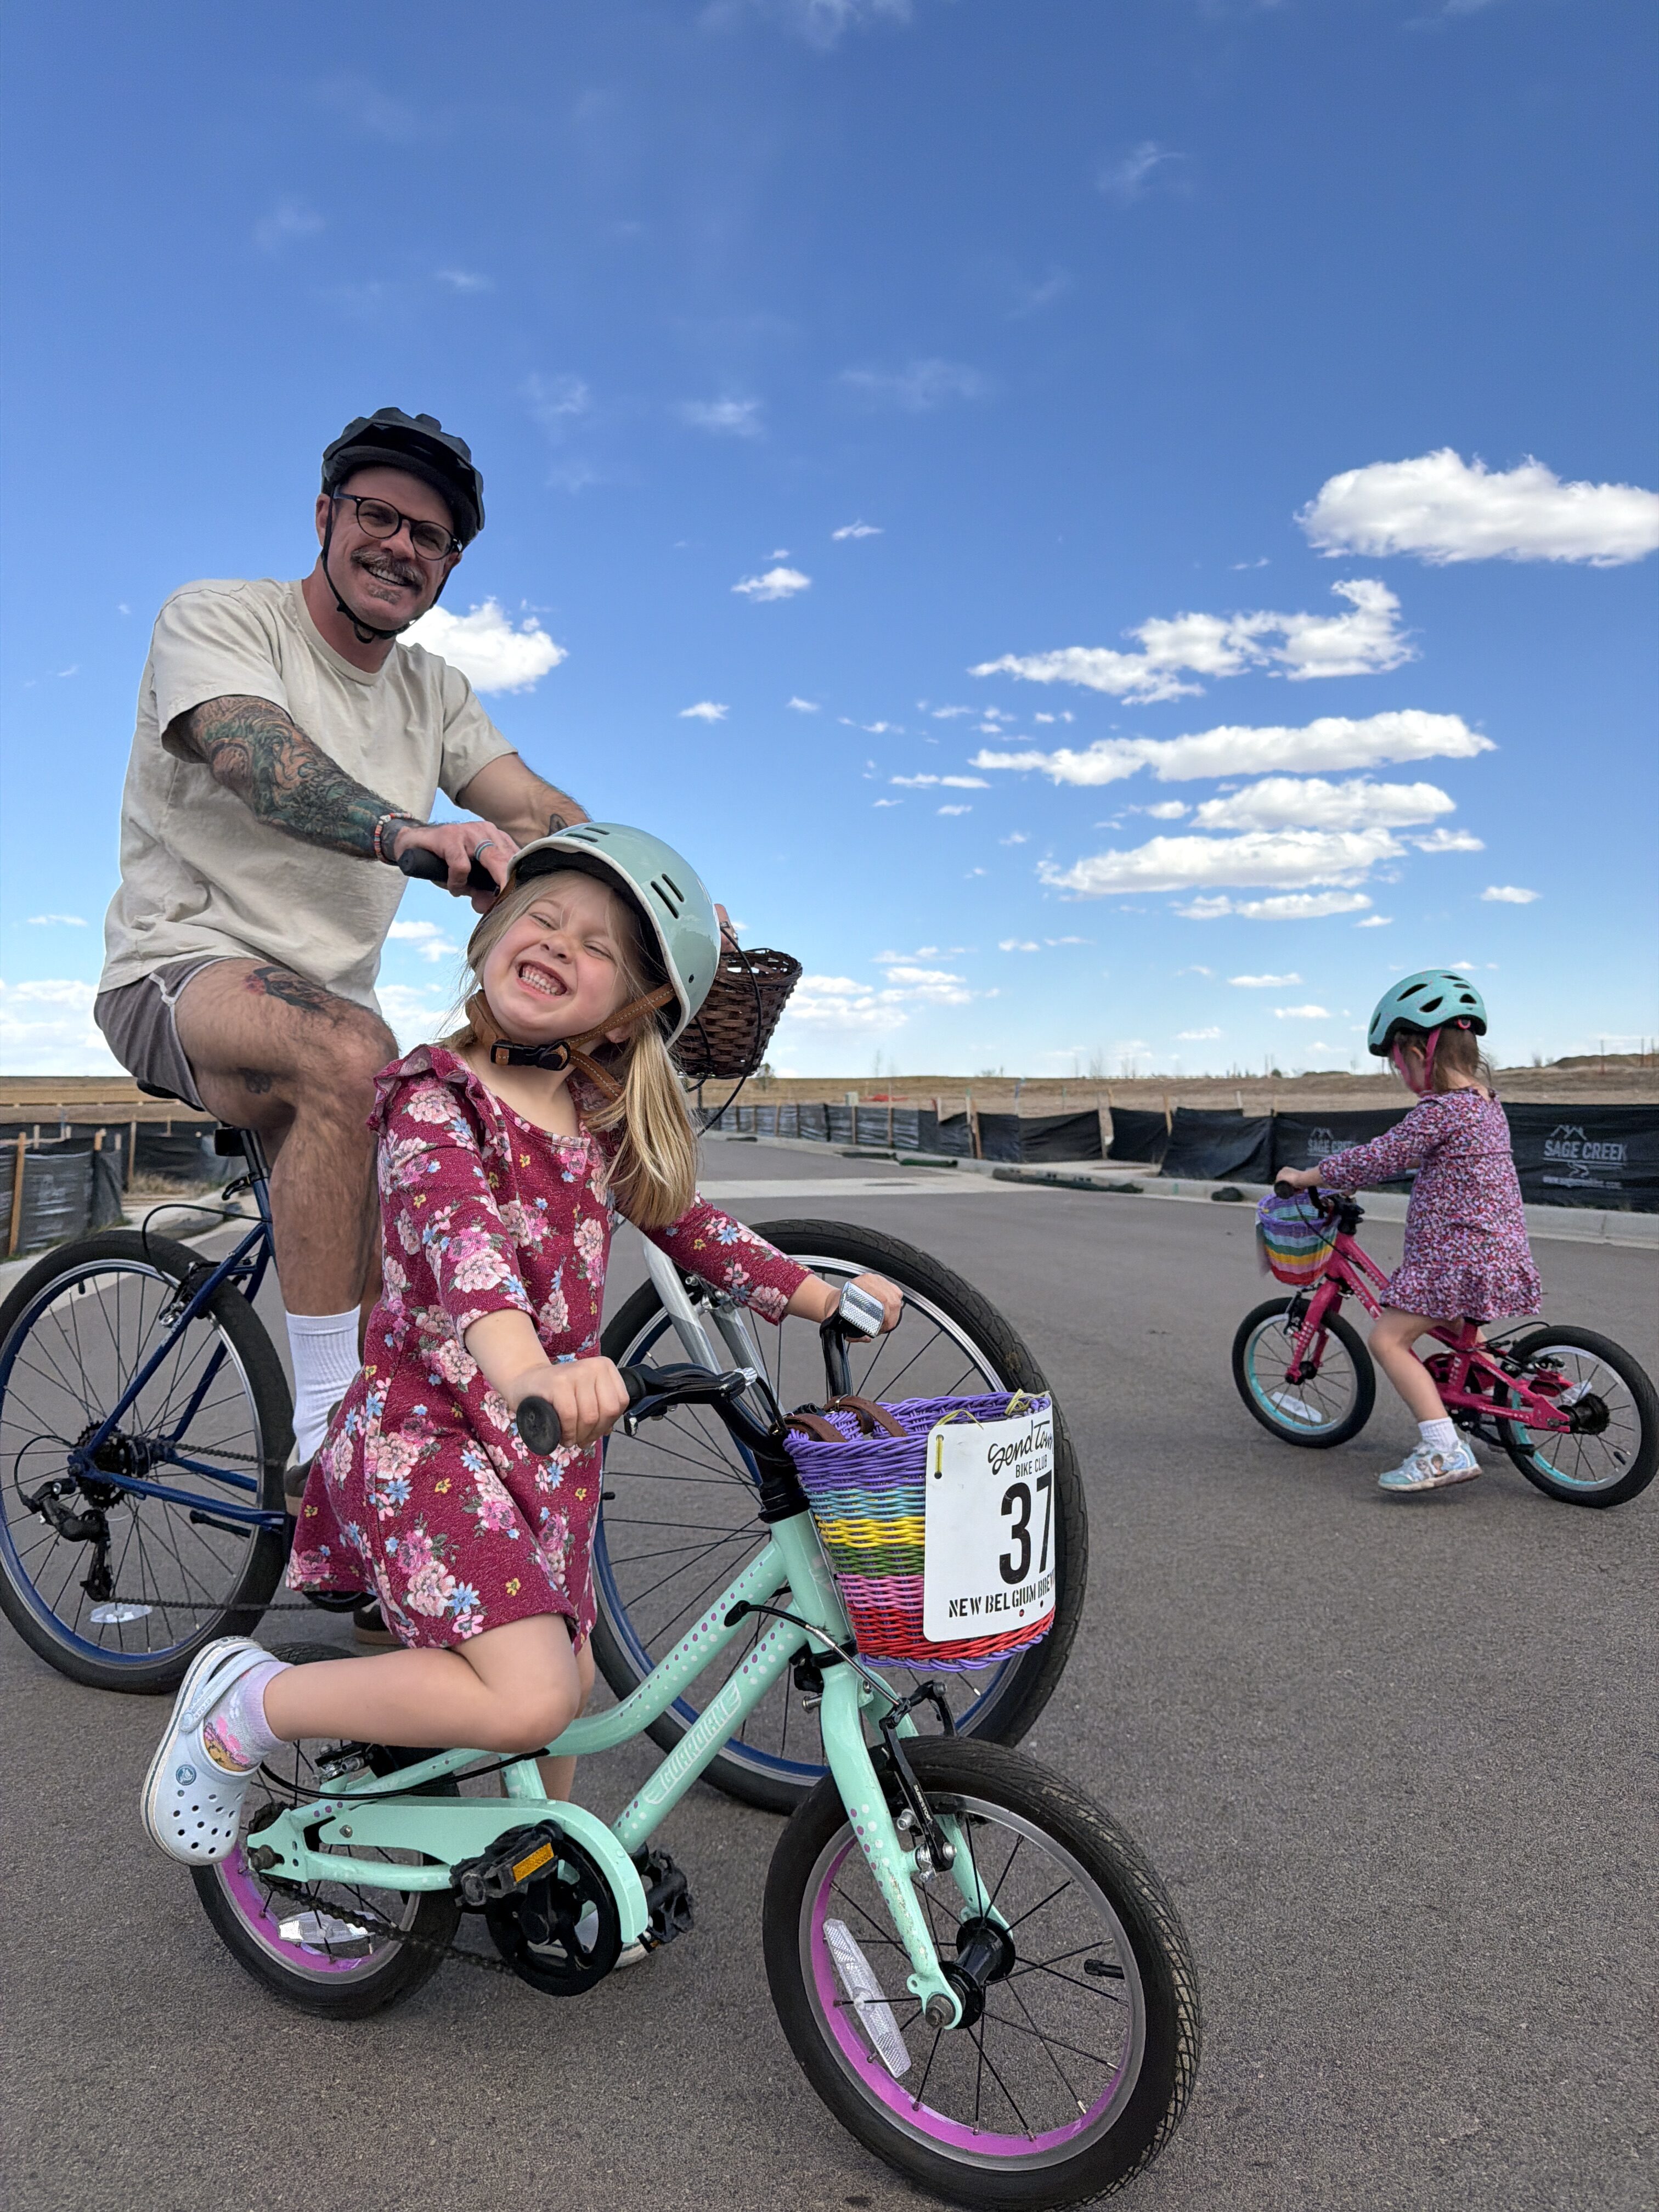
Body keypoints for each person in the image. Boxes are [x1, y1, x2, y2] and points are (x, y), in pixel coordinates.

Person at [141, 826, 902, 1863]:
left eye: (597, 946)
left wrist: (818, 1293)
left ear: (632, 1006)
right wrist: (532, 1371)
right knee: (532, 1689)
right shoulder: (430, 1100)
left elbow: (687, 1222)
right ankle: (253, 1704)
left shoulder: (594, 1112)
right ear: (492, 931)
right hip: (430, 1437)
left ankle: (537, 1864)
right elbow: (469, 1261)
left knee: (567, 1680)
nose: (558, 943)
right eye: (541, 917)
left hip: (543, 1447)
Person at [94, 409, 585, 1510]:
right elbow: (253, 754)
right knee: (355, 1051)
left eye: (433, 537)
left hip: (327, 1017)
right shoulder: (222, 619)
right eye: (379, 515)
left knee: (440, 1171)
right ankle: (328, 1449)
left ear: (451, 566)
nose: (401, 547)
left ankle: (389, 1583)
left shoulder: (435, 696)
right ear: (324, 517)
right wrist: (403, 833)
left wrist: (650, 891)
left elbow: (537, 809)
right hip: (176, 973)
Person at [1279, 970, 1541, 1495]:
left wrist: (1307, 1177)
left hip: (1457, 1257)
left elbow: (1380, 1156)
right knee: (1458, 1330)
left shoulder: (1440, 1110)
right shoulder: (1486, 1104)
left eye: (1397, 1060)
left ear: (1422, 1052)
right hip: (1498, 1250)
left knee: (1388, 1339)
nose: (1400, 1072)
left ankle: (1443, 1447)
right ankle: (1497, 1409)